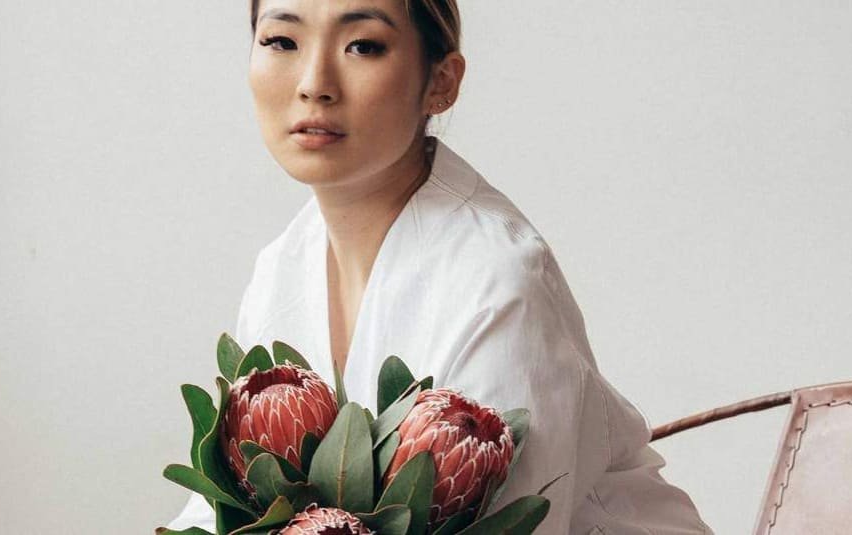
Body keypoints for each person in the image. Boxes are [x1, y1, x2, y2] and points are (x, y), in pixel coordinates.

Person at [165, 1, 713, 533]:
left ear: (441, 82)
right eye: (282, 40)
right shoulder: (279, 268)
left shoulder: (498, 283)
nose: (314, 83)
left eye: (363, 46)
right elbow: (222, 513)